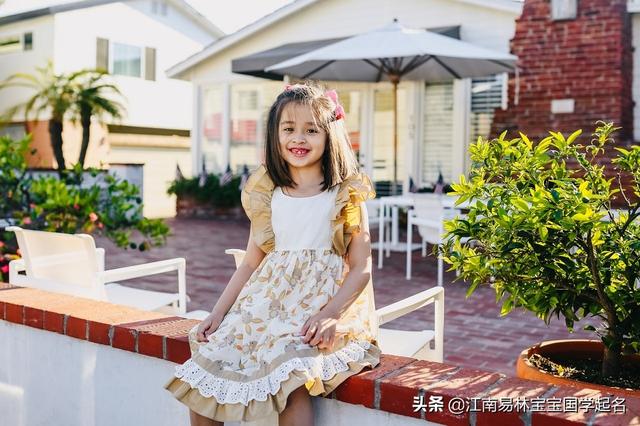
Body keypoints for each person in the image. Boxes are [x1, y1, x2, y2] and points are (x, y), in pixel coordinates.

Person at [164, 83, 381, 426]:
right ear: (275, 135)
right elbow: (251, 262)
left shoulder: (344, 195)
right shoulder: (269, 194)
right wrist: (218, 313)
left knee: (289, 378)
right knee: (205, 377)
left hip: (316, 306)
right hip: (265, 305)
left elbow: (361, 268)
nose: (299, 139)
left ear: (330, 135)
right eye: (289, 129)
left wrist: (331, 315)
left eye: (312, 130)